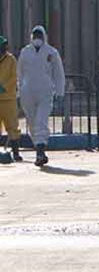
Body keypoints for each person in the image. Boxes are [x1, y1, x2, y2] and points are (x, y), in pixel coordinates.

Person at [17, 26, 64, 167]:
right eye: (35, 35)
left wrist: (60, 92)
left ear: (44, 36)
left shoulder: (51, 52)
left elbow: (58, 74)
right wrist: (19, 91)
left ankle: (41, 151)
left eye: (39, 35)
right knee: (32, 122)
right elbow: (19, 73)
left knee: (41, 121)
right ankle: (38, 147)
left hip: (45, 92)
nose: (37, 38)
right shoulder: (25, 52)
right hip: (28, 93)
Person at [0, 37, 19, 163]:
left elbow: (14, 77)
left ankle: (16, 152)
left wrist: (3, 87)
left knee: (12, 126)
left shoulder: (11, 59)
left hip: (8, 99)